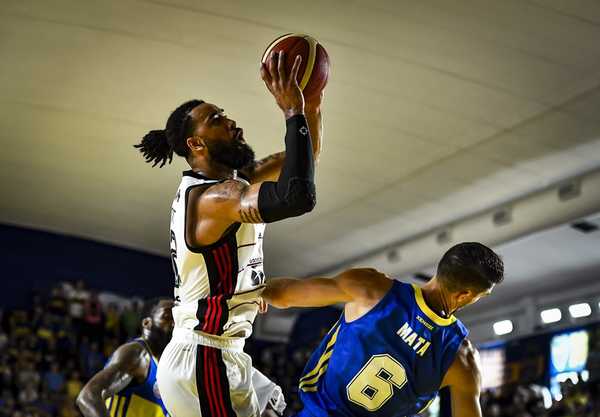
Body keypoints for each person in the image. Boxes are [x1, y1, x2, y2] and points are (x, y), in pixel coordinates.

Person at [134, 50, 323, 417]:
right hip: (204, 354)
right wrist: (291, 113)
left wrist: (311, 101)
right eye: (216, 119)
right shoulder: (213, 198)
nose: (231, 121)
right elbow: (298, 196)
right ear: (195, 144)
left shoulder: (231, 185)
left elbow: (306, 154)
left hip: (224, 351)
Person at [262, 242, 505, 417]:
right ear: (464, 295)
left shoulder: (371, 288)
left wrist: (258, 291)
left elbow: (283, 296)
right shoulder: (462, 360)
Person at [76, 298, 174, 417]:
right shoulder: (136, 353)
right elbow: (88, 397)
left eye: (177, 319)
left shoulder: (173, 367)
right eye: (167, 317)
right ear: (147, 323)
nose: (174, 324)